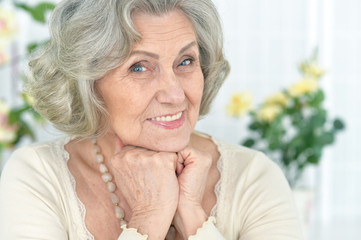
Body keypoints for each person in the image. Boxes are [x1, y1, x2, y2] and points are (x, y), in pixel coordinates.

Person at [0, 0, 303, 239]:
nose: (174, 94)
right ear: (88, 83)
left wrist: (193, 217)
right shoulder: (38, 175)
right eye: (140, 67)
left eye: (186, 62)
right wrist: (148, 217)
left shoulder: (253, 176)